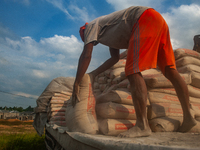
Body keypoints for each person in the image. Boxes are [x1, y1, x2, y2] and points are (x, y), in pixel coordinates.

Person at [72, 6, 197, 138]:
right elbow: (114, 59)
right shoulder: (107, 31)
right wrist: (93, 74)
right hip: (157, 19)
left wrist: (76, 83)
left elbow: (86, 55)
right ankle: (189, 119)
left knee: (132, 70)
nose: (91, 42)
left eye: (87, 39)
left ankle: (142, 126)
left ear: (84, 33)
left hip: (144, 19)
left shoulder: (90, 26)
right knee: (169, 70)